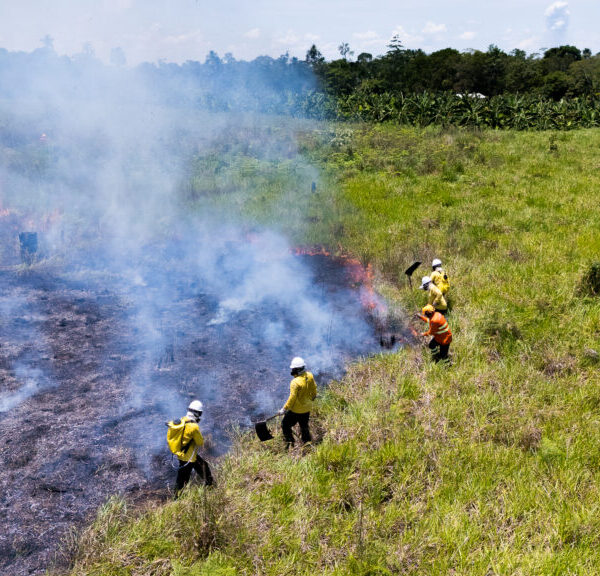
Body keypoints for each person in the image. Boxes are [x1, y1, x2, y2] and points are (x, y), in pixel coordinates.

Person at [174, 400, 213, 496]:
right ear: (198, 413)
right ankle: (177, 498)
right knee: (183, 479)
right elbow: (200, 442)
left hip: (182, 454)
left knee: (203, 466)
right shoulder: (194, 427)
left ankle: (210, 485)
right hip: (189, 458)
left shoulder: (182, 420)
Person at [279, 357, 317, 448]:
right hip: (307, 408)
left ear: (298, 370)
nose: (292, 371)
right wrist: (312, 398)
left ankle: (290, 442)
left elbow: (292, 398)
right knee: (304, 427)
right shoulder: (310, 375)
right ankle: (307, 444)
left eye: (293, 369)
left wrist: (284, 409)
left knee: (285, 424)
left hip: (296, 411)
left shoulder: (295, 382)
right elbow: (314, 389)